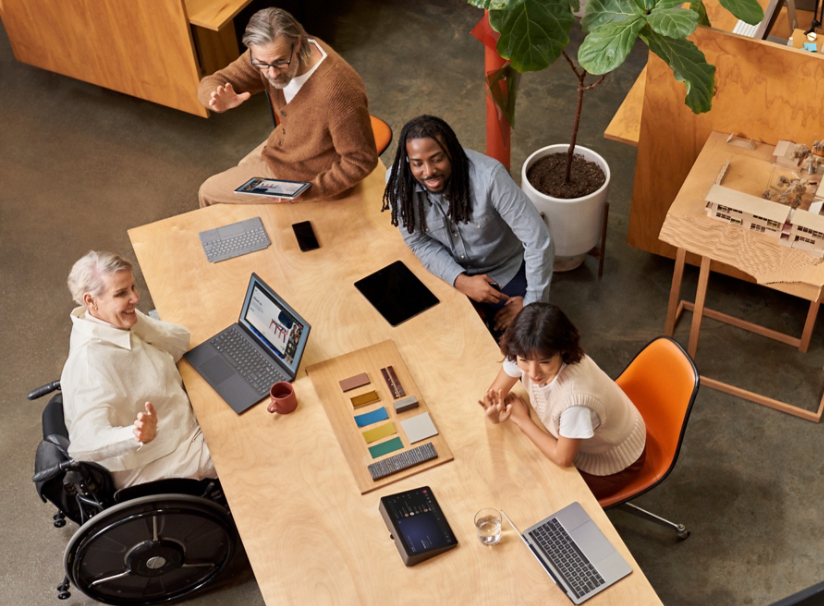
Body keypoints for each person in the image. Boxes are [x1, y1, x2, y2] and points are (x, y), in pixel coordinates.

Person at [382, 115, 553, 334]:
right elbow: (418, 242)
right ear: (408, 161)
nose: (428, 171)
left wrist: (531, 307)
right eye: (417, 163)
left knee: (522, 345)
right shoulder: (399, 183)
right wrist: (461, 281)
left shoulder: (490, 178)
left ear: (452, 151)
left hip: (504, 272)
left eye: (436, 159)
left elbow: (538, 241)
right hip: (449, 273)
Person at [60, 252, 216, 489]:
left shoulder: (108, 319)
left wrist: (138, 322)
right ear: (91, 301)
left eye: (133, 287)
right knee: (249, 446)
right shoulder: (90, 364)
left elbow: (180, 342)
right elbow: (82, 445)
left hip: (181, 416)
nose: (135, 297)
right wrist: (134, 434)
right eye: (121, 293)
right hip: (160, 456)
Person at [195, 7, 377, 207]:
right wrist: (215, 99)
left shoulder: (338, 92)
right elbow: (214, 81)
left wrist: (310, 190)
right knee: (242, 169)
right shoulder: (267, 53)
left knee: (208, 192)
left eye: (280, 62)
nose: (271, 74)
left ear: (298, 42)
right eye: (262, 63)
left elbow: (361, 161)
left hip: (307, 177)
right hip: (285, 148)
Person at [479, 303, 646, 499]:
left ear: (563, 351)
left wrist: (522, 420)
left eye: (544, 362)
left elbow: (562, 458)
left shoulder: (576, 402)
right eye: (524, 360)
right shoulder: (528, 350)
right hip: (582, 439)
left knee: (535, 494)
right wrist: (494, 413)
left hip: (612, 463)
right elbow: (495, 394)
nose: (533, 373)